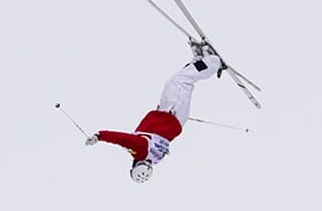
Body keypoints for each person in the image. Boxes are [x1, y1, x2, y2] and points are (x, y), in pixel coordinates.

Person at [85, 42, 224, 183]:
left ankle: (199, 61)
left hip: (174, 117)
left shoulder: (154, 159)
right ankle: (213, 62)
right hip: (171, 113)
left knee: (179, 82)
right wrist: (99, 136)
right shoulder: (140, 150)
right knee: (179, 81)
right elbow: (121, 139)